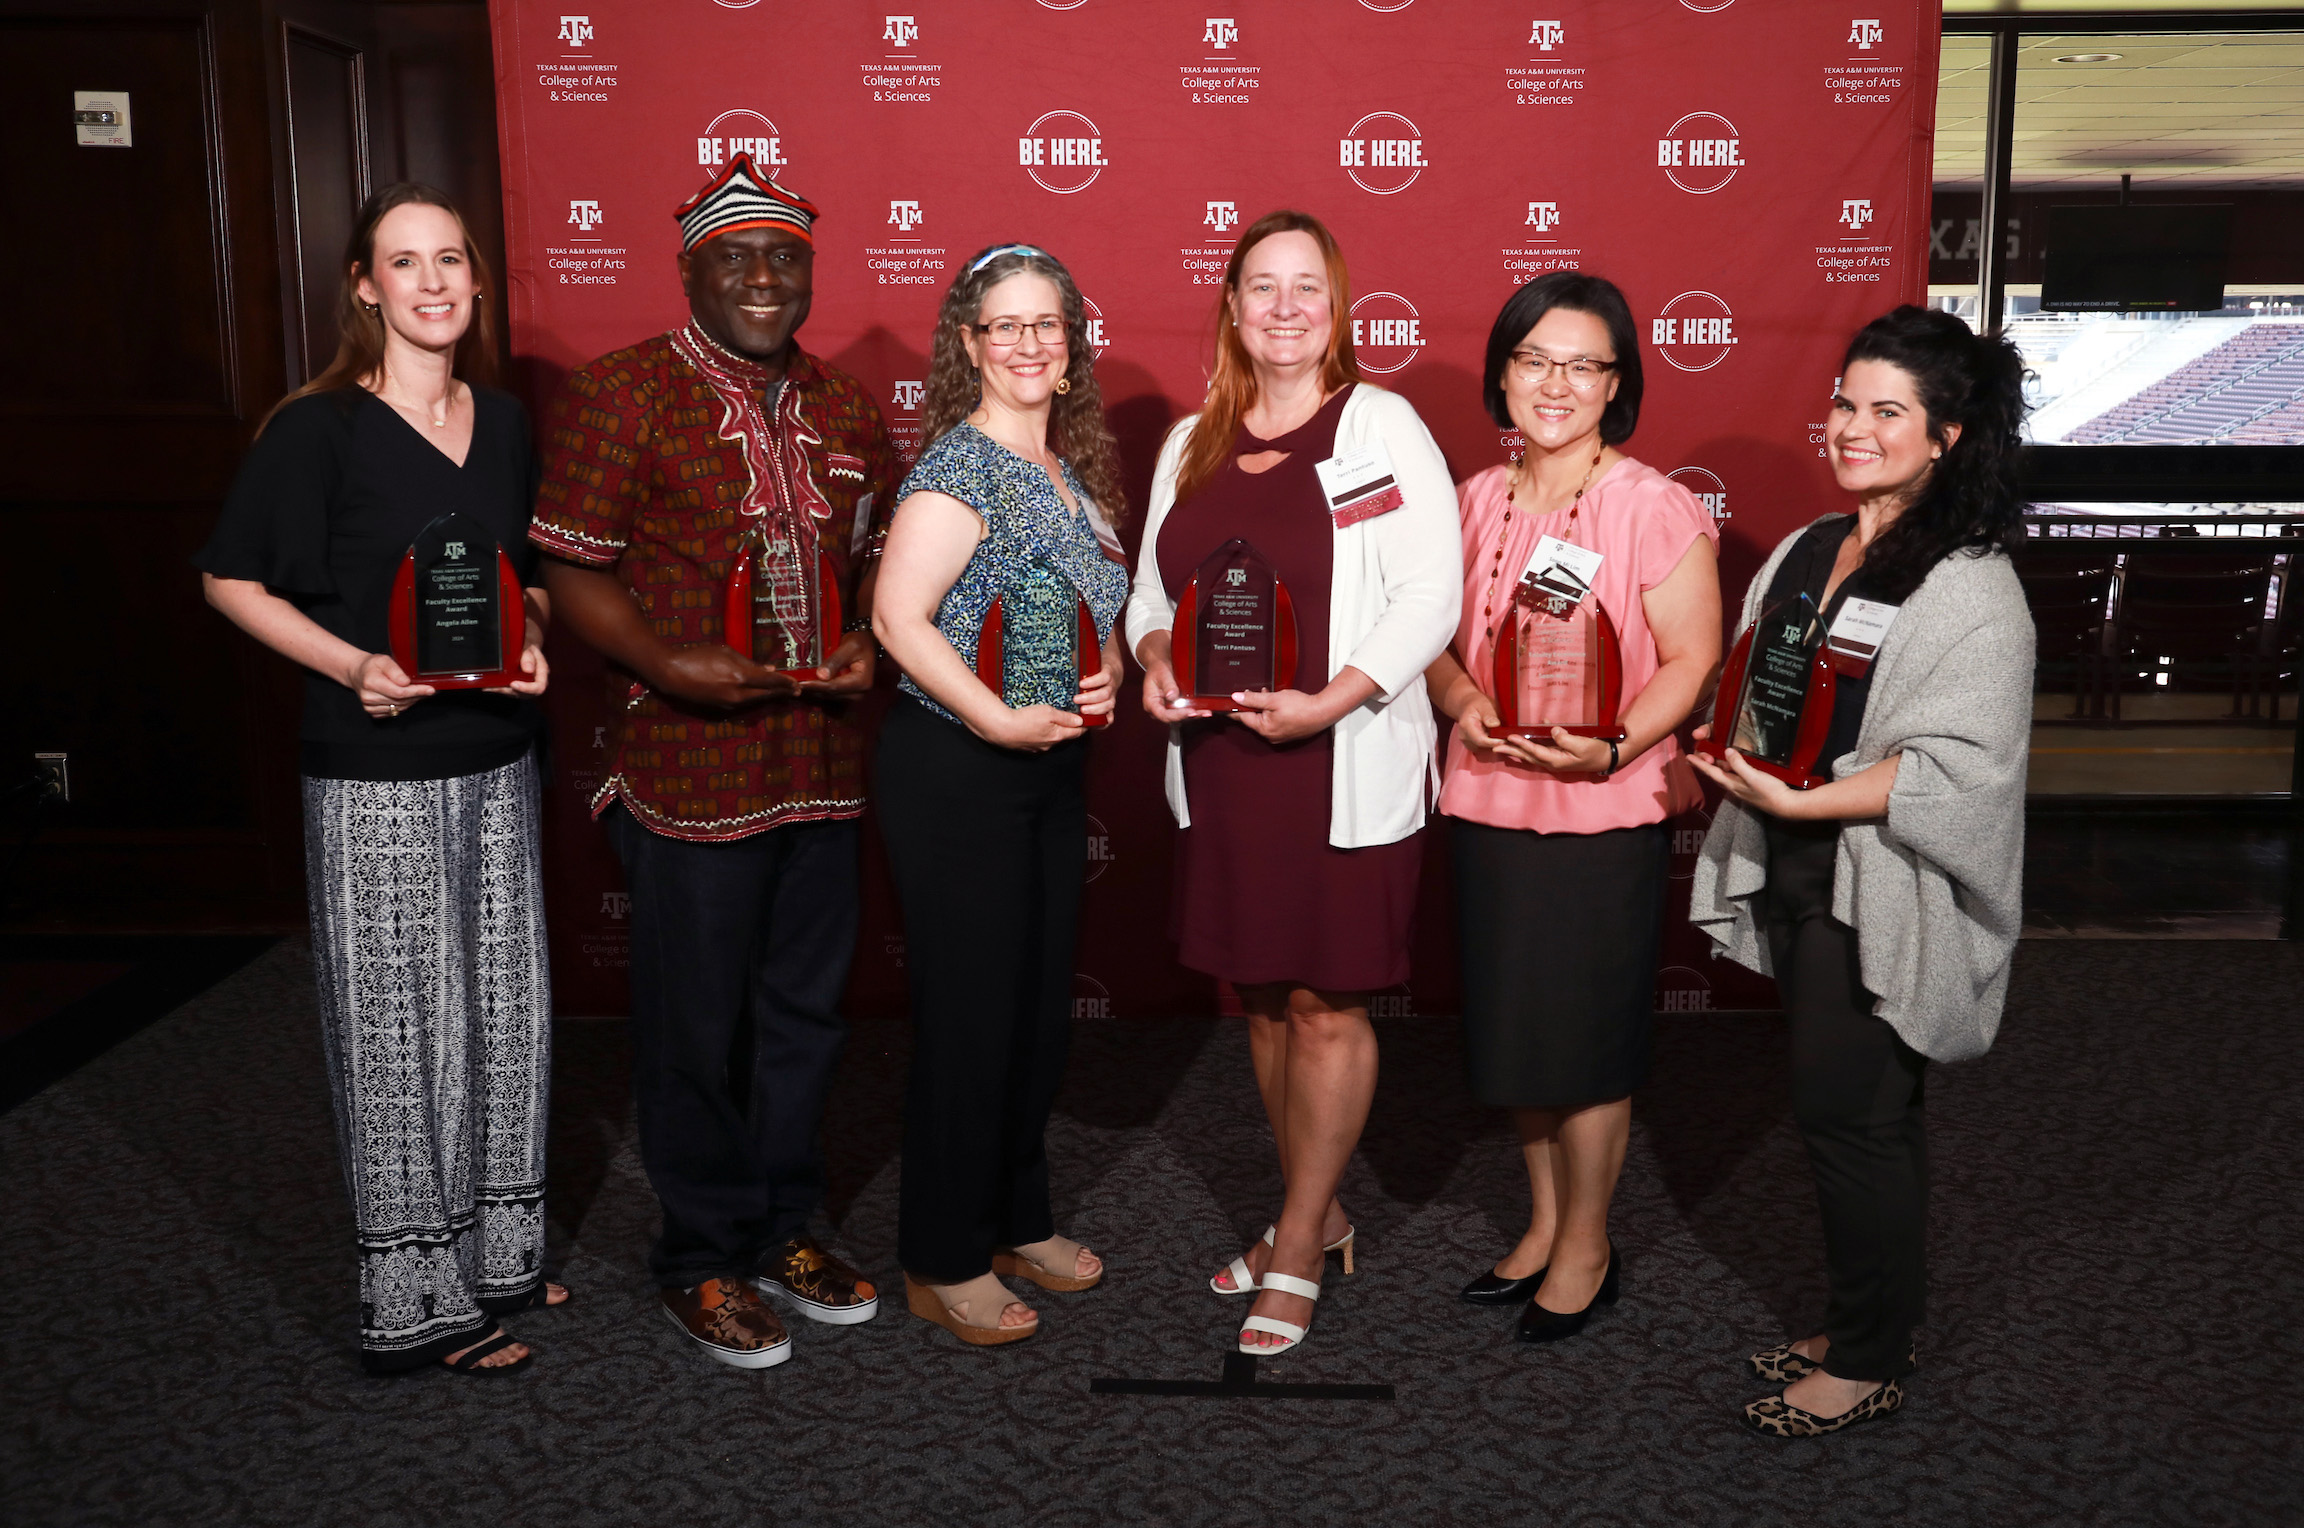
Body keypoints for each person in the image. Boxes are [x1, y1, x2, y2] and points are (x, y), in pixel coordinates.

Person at [530, 156, 899, 1369]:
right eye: (734, 256)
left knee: (803, 1020)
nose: (760, 277)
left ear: (810, 271)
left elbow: (879, 563)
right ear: (688, 268)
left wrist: (863, 643)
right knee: (695, 1026)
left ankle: (785, 1229)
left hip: (822, 765)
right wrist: (664, 659)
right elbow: (573, 565)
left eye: (782, 255)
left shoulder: (847, 406)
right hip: (686, 772)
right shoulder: (622, 393)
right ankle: (698, 1255)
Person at [197, 184, 562, 1375]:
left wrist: (534, 640)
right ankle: (413, 1304)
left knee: (502, 1014)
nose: (433, 282)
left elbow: (521, 580)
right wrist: (356, 663)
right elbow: (231, 581)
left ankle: (497, 1256)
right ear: (364, 285)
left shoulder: (501, 422)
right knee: (398, 1031)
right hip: (375, 769)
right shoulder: (318, 430)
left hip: (496, 759)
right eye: (404, 263)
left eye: (450, 259)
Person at [1690, 305, 2035, 1436]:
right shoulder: (1805, 546)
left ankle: (1871, 1356)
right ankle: (1860, 1318)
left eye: (1888, 411)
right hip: (1794, 859)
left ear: (1946, 436)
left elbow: (1961, 768)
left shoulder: (1972, 582)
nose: (1852, 426)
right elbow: (1767, 682)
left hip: (1873, 877)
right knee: (1852, 1109)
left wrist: (1808, 800)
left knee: (1854, 1115)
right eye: (1845, 402)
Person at [1125, 211, 1460, 1358]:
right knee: (1262, 998)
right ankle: (1313, 1210)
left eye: (1304, 287)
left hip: (1337, 758)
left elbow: (1431, 597)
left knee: (1328, 1003)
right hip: (1227, 769)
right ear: (1230, 305)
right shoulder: (1189, 441)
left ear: (1337, 305)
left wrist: (1333, 697)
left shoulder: (1383, 426)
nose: (1282, 307)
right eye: (1259, 286)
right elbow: (1149, 597)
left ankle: (1303, 1239)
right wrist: (1159, 659)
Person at [1423, 272, 1721, 1343]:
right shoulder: (1470, 498)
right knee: (1519, 1035)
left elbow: (1690, 660)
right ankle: (1544, 1221)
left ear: (1618, 383)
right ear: (1503, 373)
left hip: (1603, 810)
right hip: (1492, 797)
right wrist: (1462, 707)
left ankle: (1591, 1239)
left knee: (1587, 1042)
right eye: (1534, 359)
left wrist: (1614, 743)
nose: (1557, 383)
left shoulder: (1653, 504)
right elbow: (1441, 649)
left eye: (1583, 363)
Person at [871, 243, 1128, 1347]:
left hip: (1047, 767)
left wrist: (1107, 663)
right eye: (1005, 325)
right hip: (960, 772)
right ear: (969, 344)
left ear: (1071, 344)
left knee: (1030, 1014)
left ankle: (1016, 1215)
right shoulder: (956, 469)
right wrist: (988, 716)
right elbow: (897, 619)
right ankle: (939, 1253)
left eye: (1047, 324)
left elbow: (1079, 608)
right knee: (973, 1021)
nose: (1029, 344)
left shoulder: (1074, 470)